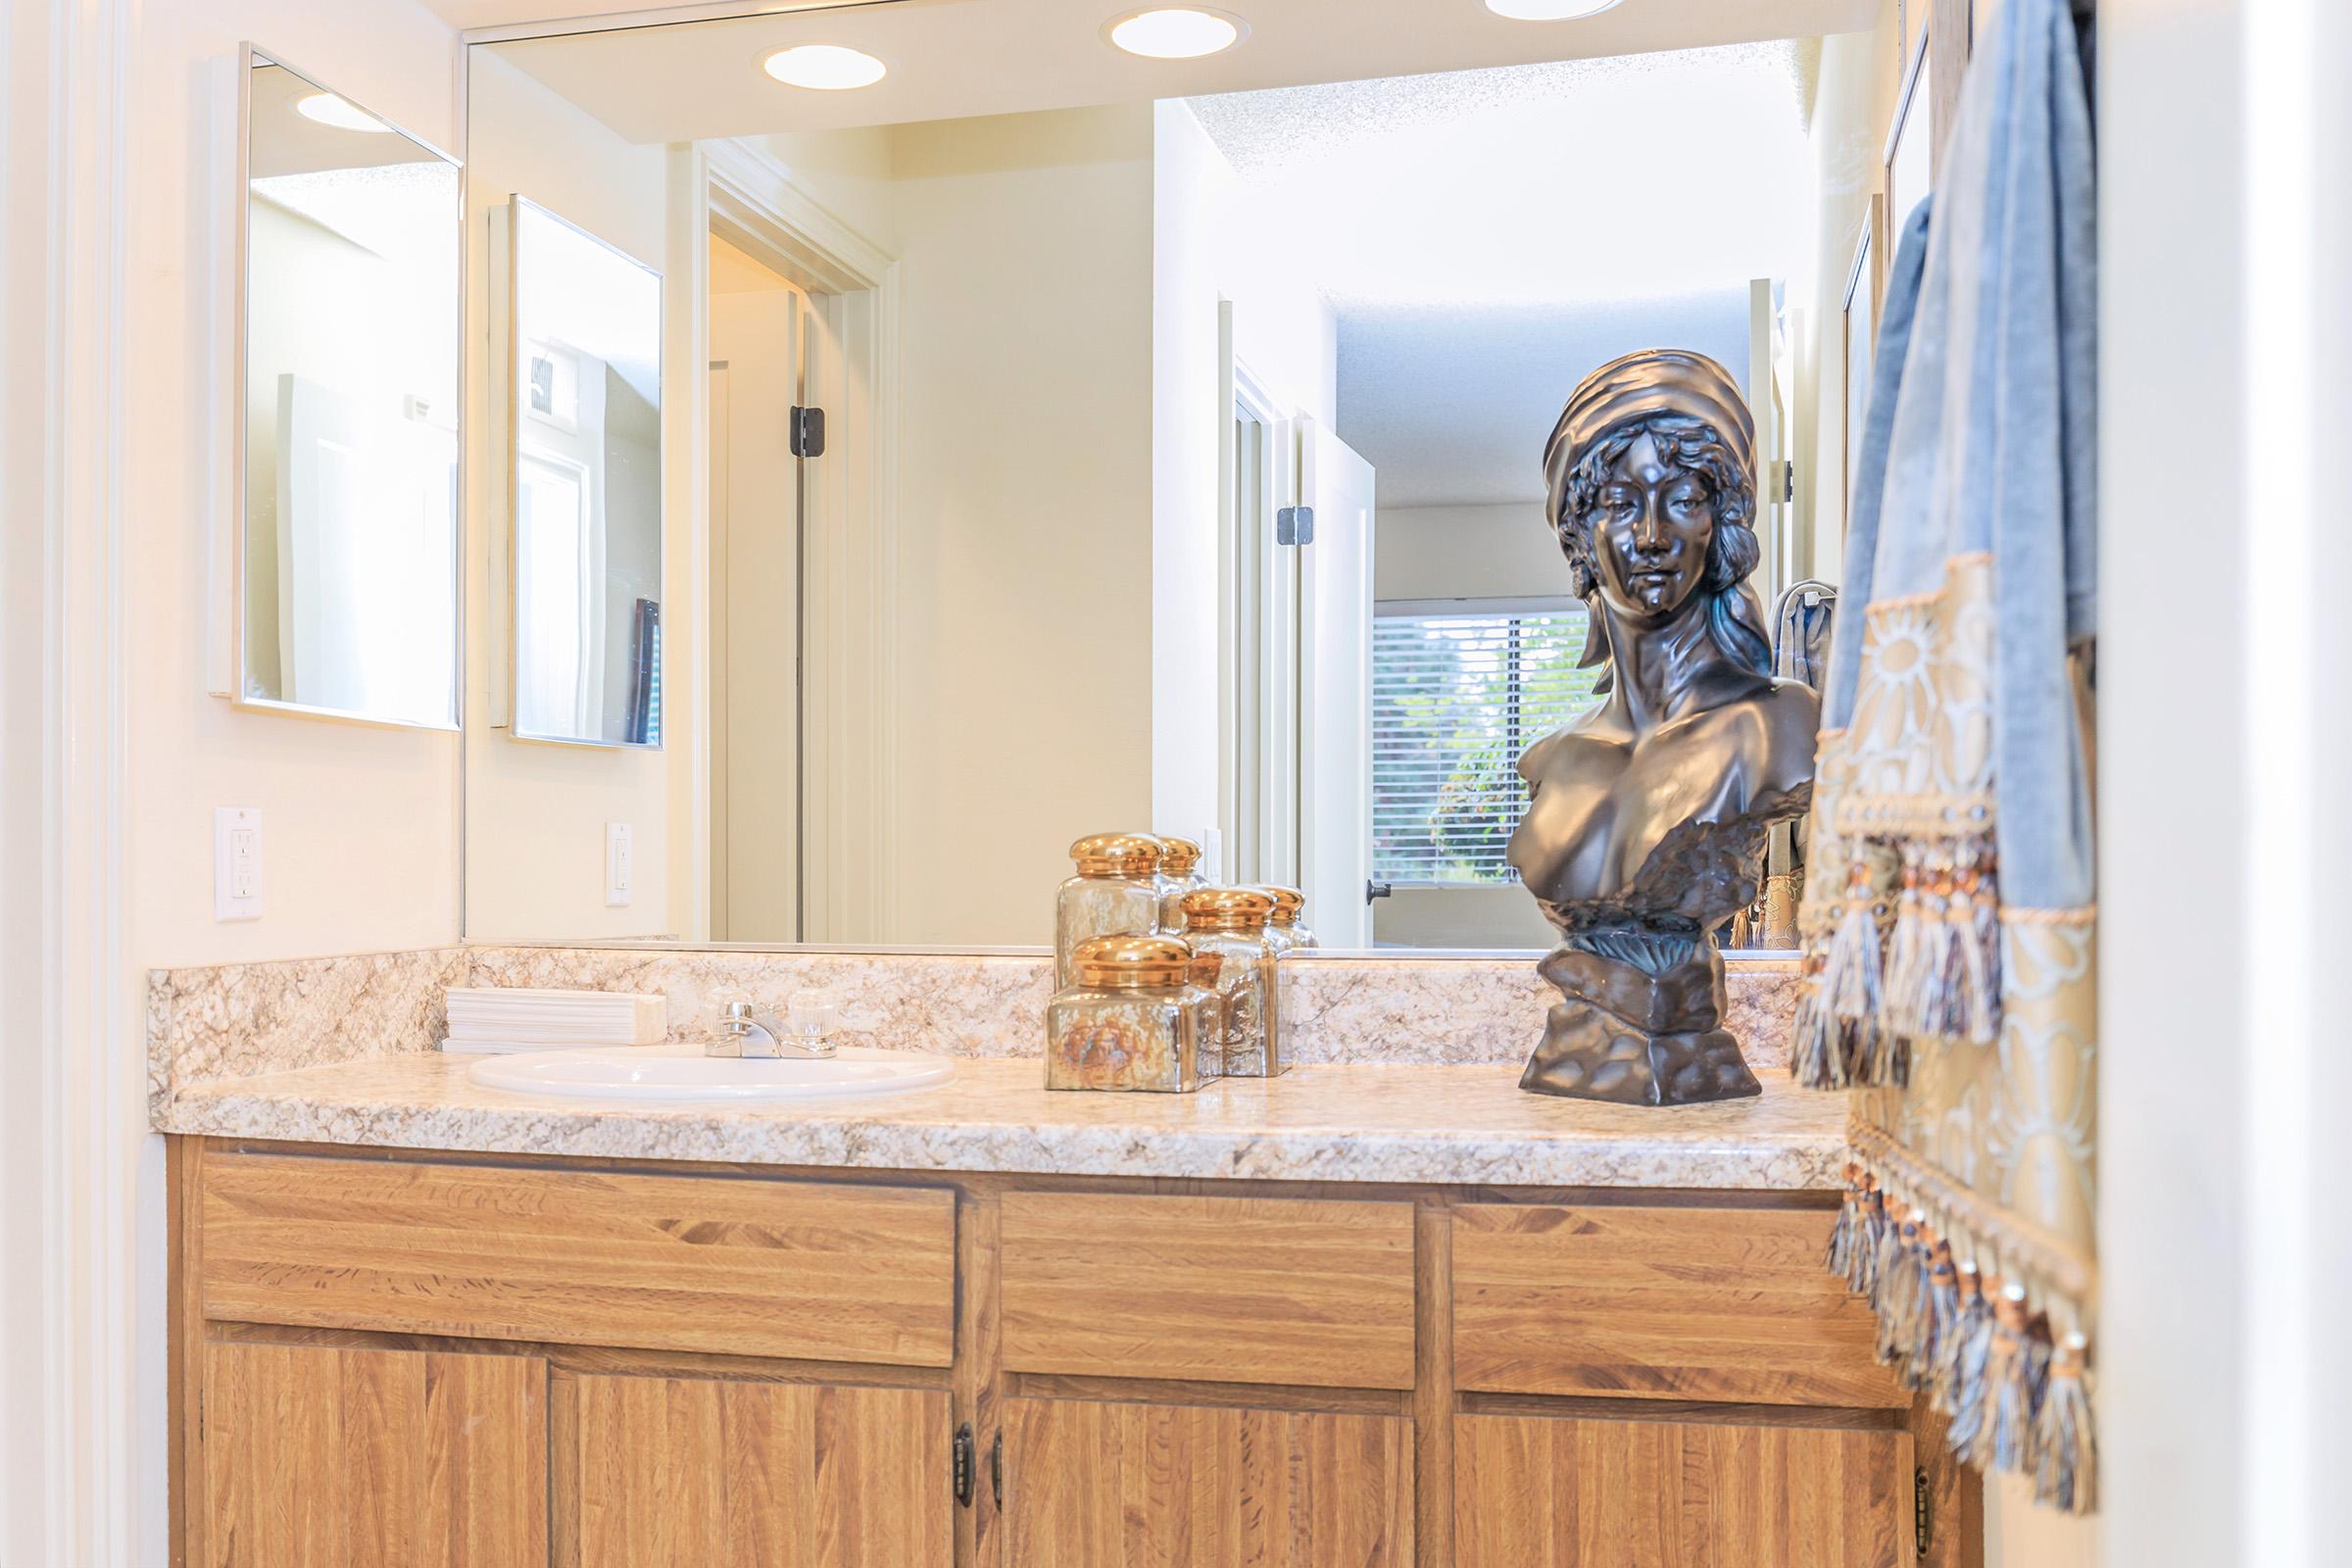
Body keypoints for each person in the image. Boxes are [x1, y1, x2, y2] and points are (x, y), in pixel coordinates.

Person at [1505, 348, 1817, 1102]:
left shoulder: (1781, 729)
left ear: (1723, 522)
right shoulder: (1555, 760)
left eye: (1682, 497)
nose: (1650, 535)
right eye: (1617, 501)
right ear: (1580, 536)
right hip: (1574, 1072)